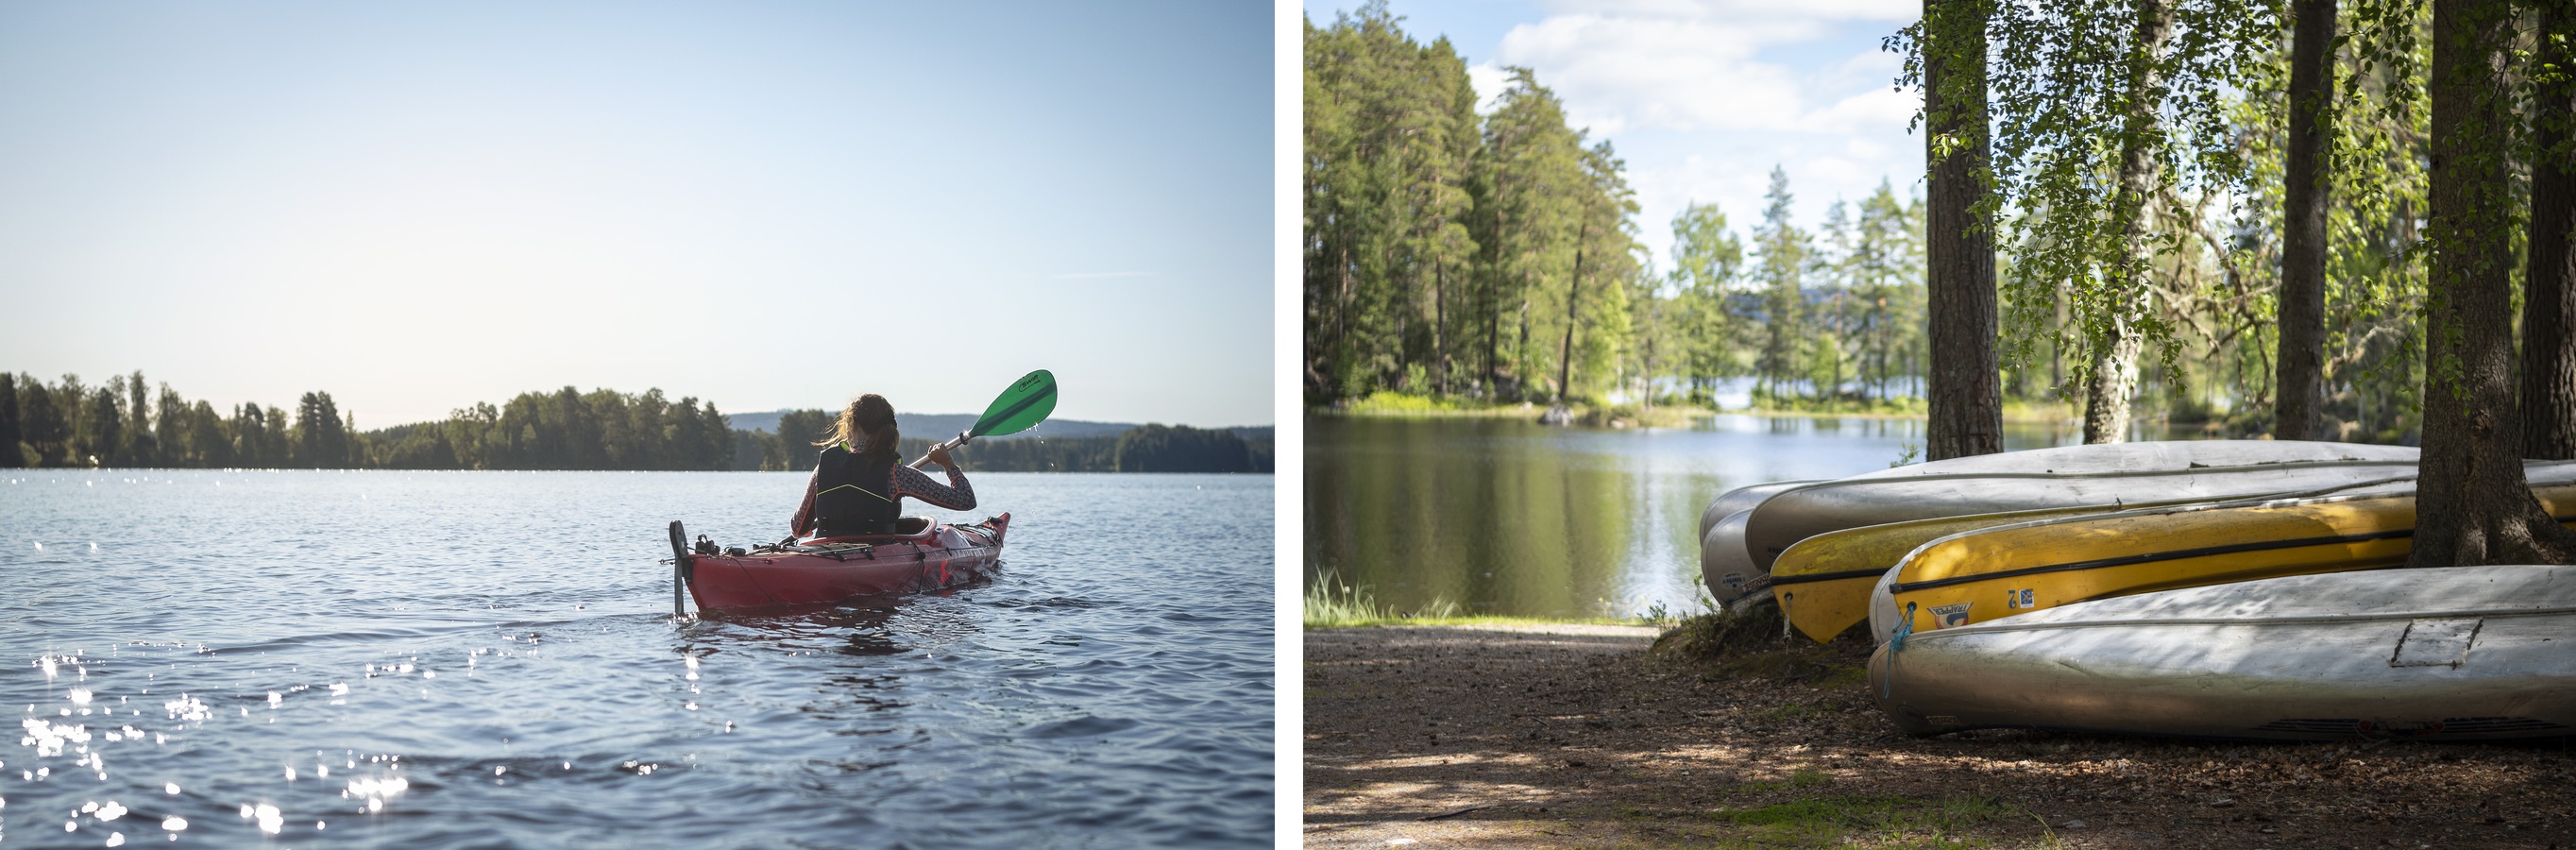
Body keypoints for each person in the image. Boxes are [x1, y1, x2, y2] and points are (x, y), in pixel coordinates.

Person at [788, 394, 975, 538]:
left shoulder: (823, 468)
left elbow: (798, 529)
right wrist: (948, 464)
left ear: (851, 425)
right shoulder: (897, 474)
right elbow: (965, 500)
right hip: (874, 556)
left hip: (825, 553)